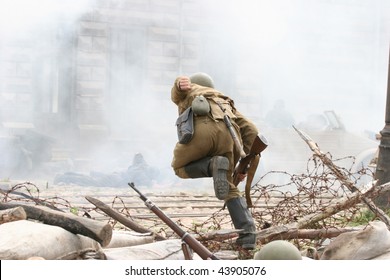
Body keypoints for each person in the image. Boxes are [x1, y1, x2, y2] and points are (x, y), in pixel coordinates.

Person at [170, 72, 259, 249]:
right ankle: (248, 235)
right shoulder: (224, 100)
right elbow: (252, 131)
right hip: (229, 138)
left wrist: (179, 85)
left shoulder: (191, 91)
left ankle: (212, 165)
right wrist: (243, 165)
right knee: (227, 185)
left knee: (178, 167)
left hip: (201, 134)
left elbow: (176, 93)